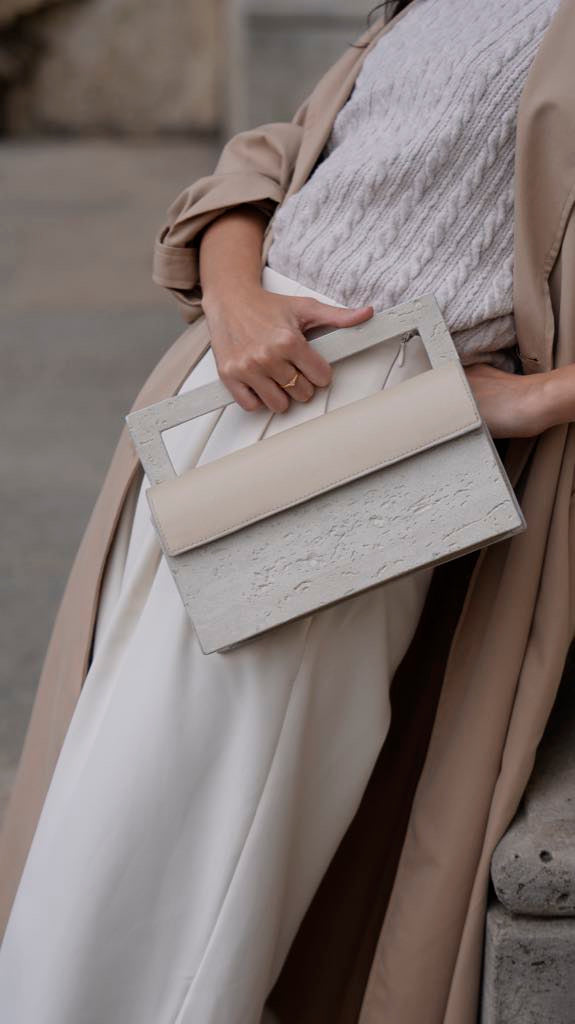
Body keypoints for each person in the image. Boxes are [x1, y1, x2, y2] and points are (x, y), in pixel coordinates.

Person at [1, 1, 574, 1021]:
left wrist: (528, 397)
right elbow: (282, 151)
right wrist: (233, 291)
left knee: (171, 880)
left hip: (365, 459)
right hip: (218, 407)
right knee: (99, 845)